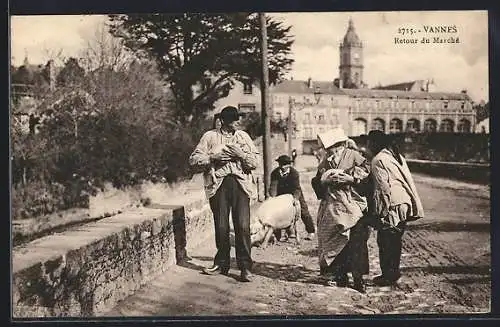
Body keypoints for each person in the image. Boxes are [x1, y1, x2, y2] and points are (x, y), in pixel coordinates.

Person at [189, 106, 260, 282]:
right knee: (221, 226)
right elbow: (194, 160)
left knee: (242, 226)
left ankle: (245, 267)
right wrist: (213, 158)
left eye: (236, 119)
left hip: (240, 185)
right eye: (231, 120)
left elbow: (255, 162)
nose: (235, 123)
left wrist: (241, 155)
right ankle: (221, 263)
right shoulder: (210, 136)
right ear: (223, 121)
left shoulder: (243, 137)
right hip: (218, 185)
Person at [311, 128, 371, 293]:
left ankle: (359, 279)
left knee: (356, 242)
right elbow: (317, 181)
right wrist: (323, 181)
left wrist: (352, 179)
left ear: (340, 145)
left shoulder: (355, 156)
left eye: (332, 147)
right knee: (335, 240)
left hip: (353, 206)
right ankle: (340, 276)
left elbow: (368, 178)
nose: (329, 151)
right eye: (327, 148)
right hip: (333, 206)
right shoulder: (325, 161)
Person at [366, 130, 424, 286]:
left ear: (374, 144)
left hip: (392, 204)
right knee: (395, 240)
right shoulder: (395, 156)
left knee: (385, 240)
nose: (367, 148)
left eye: (368, 144)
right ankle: (393, 273)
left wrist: (380, 213)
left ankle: (388, 276)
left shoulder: (378, 160)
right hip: (404, 203)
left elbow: (382, 189)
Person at [269, 154, 316, 241]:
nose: (283, 167)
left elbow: (296, 188)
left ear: (289, 165)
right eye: (281, 164)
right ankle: (279, 234)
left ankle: (311, 231)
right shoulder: (275, 173)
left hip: (294, 192)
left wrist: (295, 198)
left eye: (285, 164)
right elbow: (273, 186)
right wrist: (272, 197)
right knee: (279, 212)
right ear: (279, 164)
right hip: (281, 194)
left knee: (303, 211)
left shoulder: (294, 173)